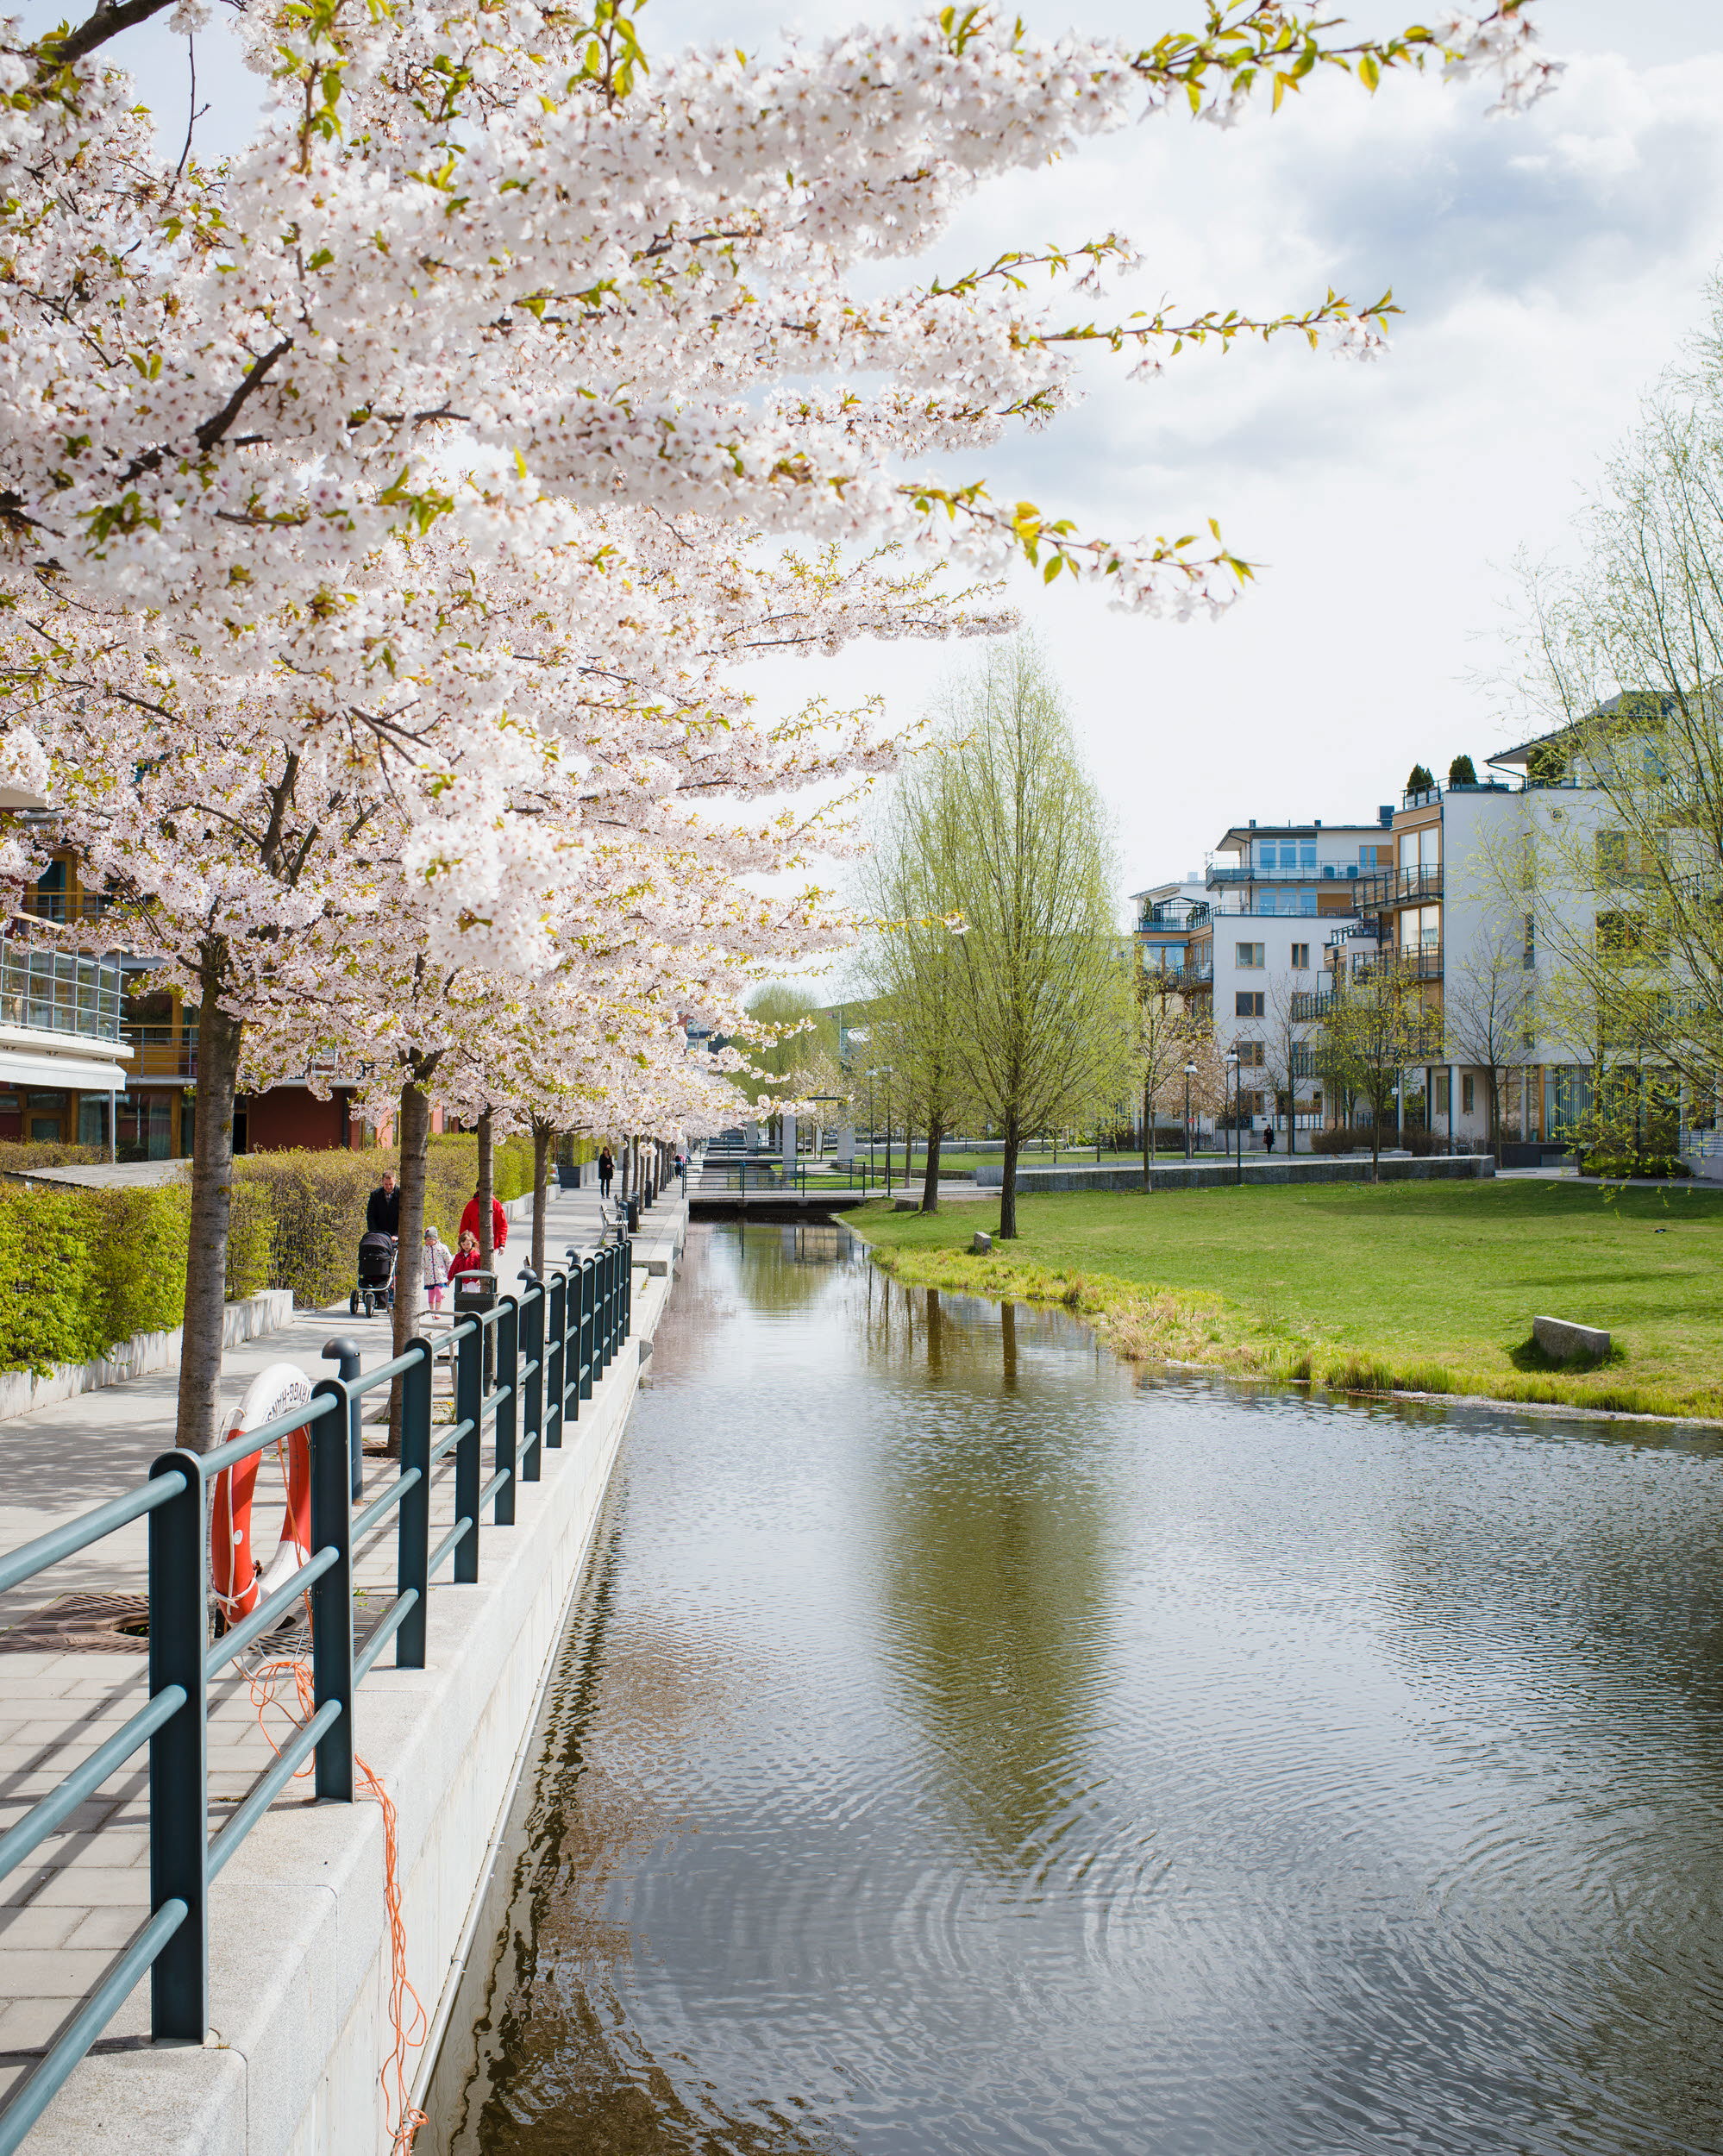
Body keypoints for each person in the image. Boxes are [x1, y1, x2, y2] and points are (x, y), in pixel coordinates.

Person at [457, 1188, 508, 1252]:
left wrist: (501, 1244)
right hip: (473, 1246)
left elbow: (502, 1225)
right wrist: (462, 1243)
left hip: (492, 1246)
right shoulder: (471, 1205)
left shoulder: (496, 1204)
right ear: (477, 1188)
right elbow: (464, 1226)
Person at [423, 1224, 453, 1312]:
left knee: (438, 1290)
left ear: (435, 1239)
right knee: (431, 1293)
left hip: (440, 1275)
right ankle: (432, 1310)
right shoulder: (424, 1249)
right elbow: (421, 1260)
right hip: (429, 1276)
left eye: (430, 1239)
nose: (428, 1241)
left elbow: (448, 1260)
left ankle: (438, 1310)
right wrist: (423, 1268)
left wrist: (450, 1272)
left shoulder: (442, 1248)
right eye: (426, 1239)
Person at [366, 1169, 400, 1237]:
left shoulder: (402, 1195)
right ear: (382, 1182)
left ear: (395, 1181)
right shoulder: (375, 1195)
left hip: (397, 1235)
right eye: (386, 1184)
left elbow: (405, 1217)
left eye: (391, 1184)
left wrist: (397, 1235)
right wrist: (375, 1233)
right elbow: (371, 1216)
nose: (388, 1187)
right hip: (379, 1235)